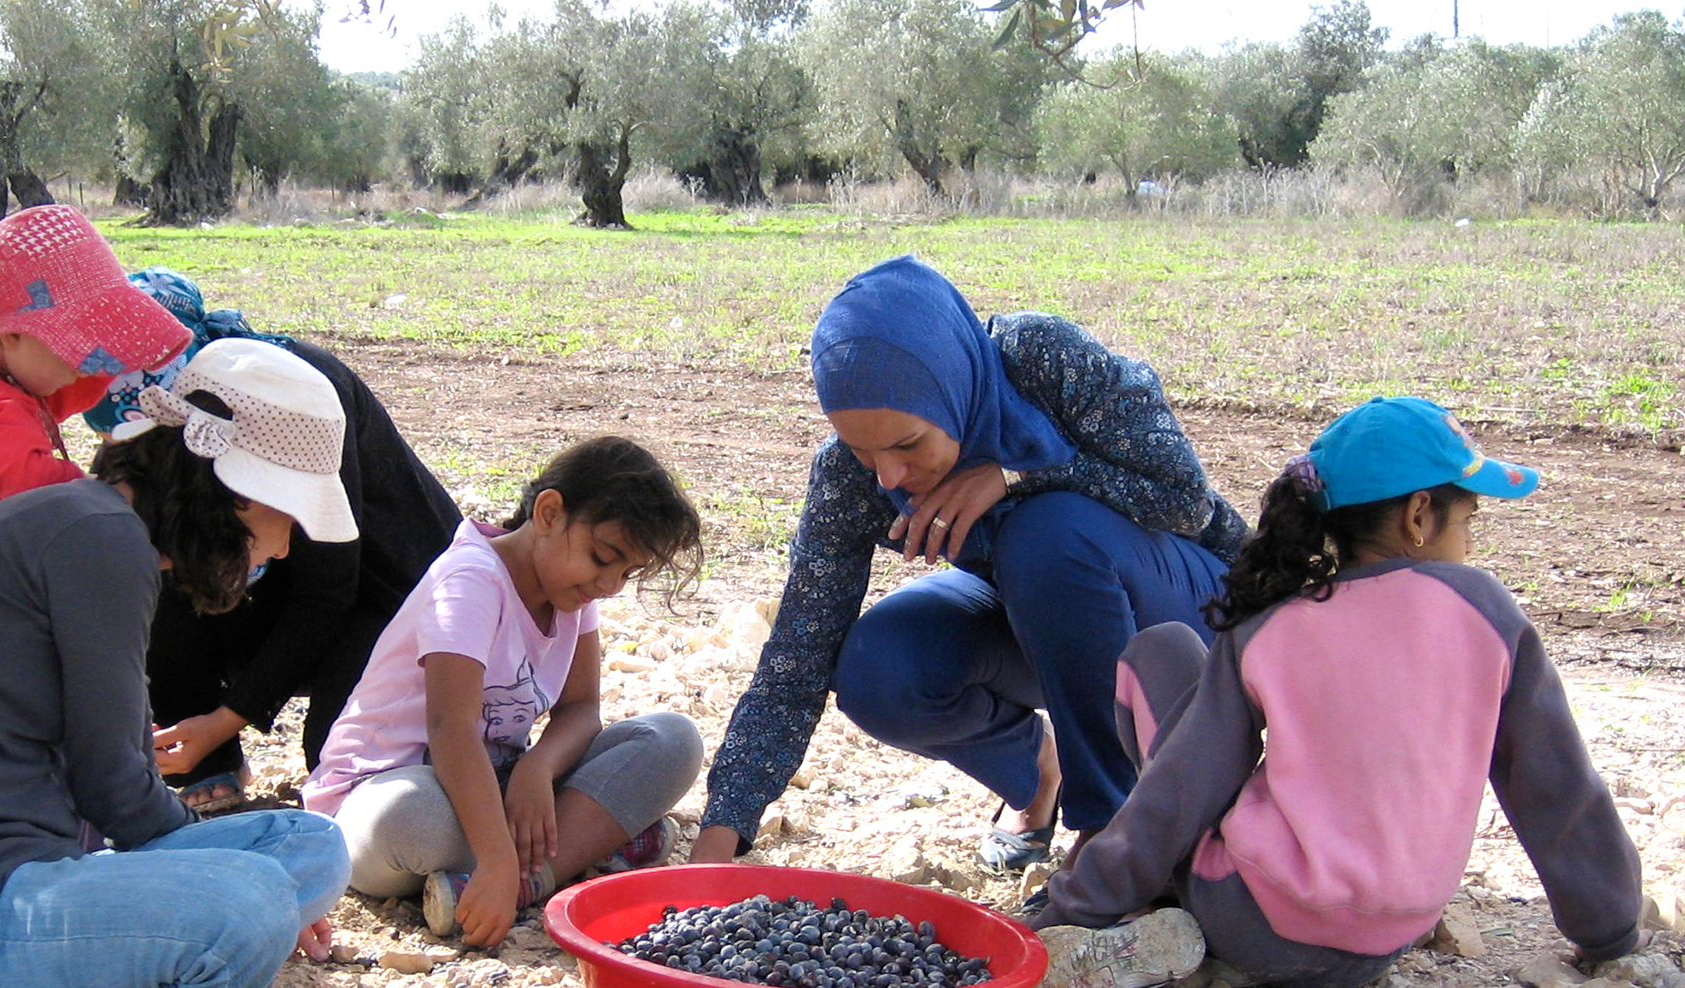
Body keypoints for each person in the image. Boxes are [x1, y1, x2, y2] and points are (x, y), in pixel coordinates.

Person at [1026, 397, 1645, 988]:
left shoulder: (1269, 626)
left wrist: (1072, 906)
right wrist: (1609, 930)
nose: (1468, 543)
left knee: (1162, 651)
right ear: (1419, 515)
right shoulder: (1489, 614)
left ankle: (1152, 888)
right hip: (1390, 935)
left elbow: (1182, 785)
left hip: (1253, 924)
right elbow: (1556, 787)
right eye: (1468, 523)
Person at [0, 339, 358, 988]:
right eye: (291, 518)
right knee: (253, 902)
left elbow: (118, 781)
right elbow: (114, 788)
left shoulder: (98, 527)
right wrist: (221, 888)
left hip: (23, 877)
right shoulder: (101, 540)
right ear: (238, 496)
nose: (286, 546)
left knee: (308, 847)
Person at [692, 256, 1248, 872]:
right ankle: (1038, 773)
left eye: (907, 445)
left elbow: (1185, 500)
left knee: (1048, 535)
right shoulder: (852, 479)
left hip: (1183, 611)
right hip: (1044, 622)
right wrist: (722, 831)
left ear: (952, 384)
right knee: (881, 668)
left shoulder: (1038, 358)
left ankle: (1112, 828)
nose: (889, 476)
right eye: (860, 449)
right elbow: (796, 659)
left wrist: (1016, 476)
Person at [304, 436, 705, 949]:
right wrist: (496, 852)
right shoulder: (470, 578)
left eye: (625, 573)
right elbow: (450, 726)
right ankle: (558, 856)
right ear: (549, 512)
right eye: (603, 558)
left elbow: (582, 709)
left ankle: (515, 881)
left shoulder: (574, 592)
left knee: (671, 739)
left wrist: (539, 768)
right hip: (382, 794)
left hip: (495, 784)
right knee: (413, 814)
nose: (610, 585)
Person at [91, 268, 463, 814]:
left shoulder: (295, 412)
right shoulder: (161, 448)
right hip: (265, 570)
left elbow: (329, 589)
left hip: (383, 595)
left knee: (336, 761)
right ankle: (203, 756)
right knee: (165, 569)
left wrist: (224, 720)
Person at [0, 204, 190, 564]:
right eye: (76, 351)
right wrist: (132, 506)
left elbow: (47, 380)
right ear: (13, 334)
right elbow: (52, 503)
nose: (85, 369)